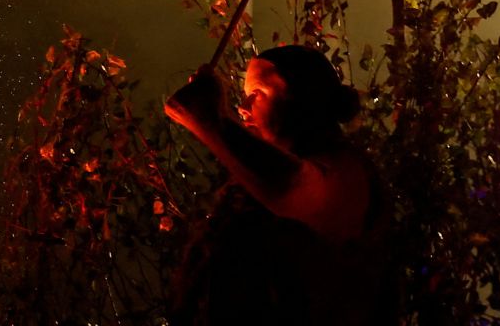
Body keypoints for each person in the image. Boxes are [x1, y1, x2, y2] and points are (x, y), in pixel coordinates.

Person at [164, 45, 390, 325]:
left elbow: (292, 189)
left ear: (303, 99)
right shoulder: (248, 189)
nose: (243, 109)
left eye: (257, 94)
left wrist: (211, 121)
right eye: (245, 96)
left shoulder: (348, 172)